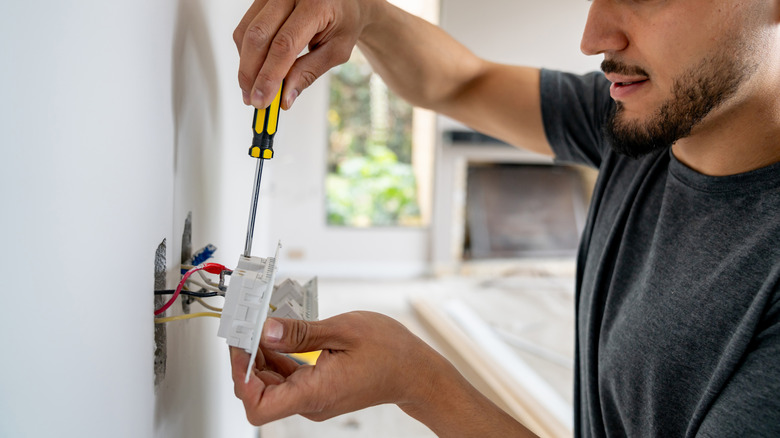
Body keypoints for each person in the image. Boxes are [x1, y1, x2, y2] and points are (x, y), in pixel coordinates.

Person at [228, 0, 780, 436]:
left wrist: (418, 382)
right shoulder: (643, 120)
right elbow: (457, 82)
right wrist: (362, 11)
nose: (592, 39)